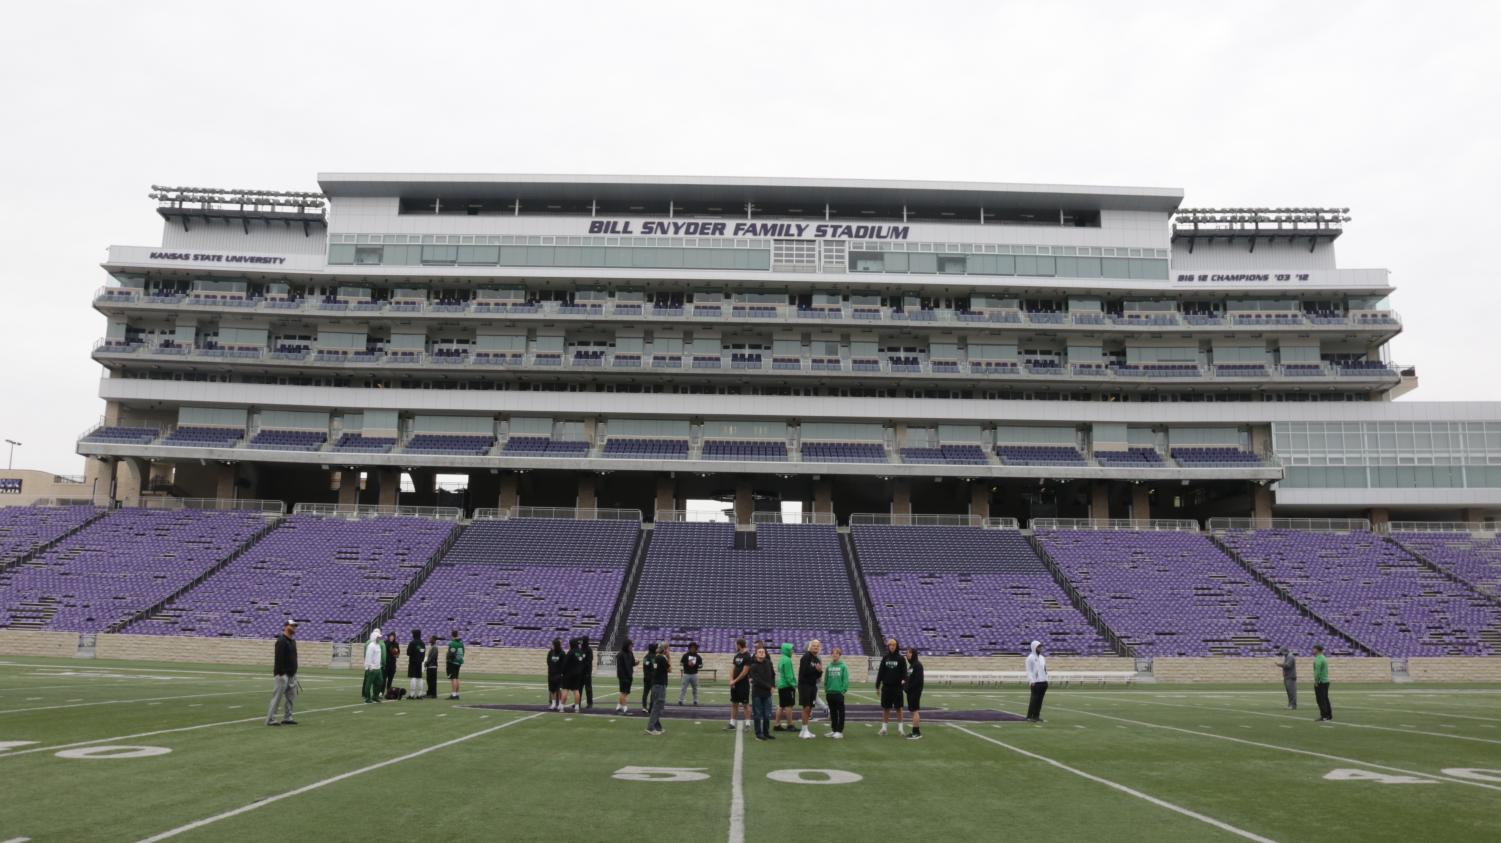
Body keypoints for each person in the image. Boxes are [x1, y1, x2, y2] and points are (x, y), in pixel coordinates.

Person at [266, 619, 298, 726]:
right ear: (285, 626)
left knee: (290, 698)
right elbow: (278, 658)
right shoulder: (281, 641)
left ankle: (288, 717)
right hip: (282, 674)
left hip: (292, 674)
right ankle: (270, 719)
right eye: (291, 625)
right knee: (277, 697)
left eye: (295, 626)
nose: (294, 627)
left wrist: (294, 672)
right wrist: (280, 673)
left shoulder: (293, 641)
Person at [875, 637, 907, 736]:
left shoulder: (901, 658)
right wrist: (877, 685)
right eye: (890, 645)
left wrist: (904, 681)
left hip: (897, 687)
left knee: (899, 708)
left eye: (893, 644)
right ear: (888, 646)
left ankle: (901, 729)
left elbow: (904, 672)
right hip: (887, 687)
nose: (891, 646)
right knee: (886, 708)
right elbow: (881, 672)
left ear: (896, 646)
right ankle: (884, 729)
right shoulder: (885, 658)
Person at [748, 644, 777, 741]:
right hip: (757, 693)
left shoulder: (769, 663)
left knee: (767, 714)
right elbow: (757, 680)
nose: (761, 653)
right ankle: (758, 733)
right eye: (759, 652)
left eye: (763, 652)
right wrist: (769, 687)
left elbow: (773, 675)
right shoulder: (753, 666)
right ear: (756, 655)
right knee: (757, 714)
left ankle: (766, 732)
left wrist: (773, 685)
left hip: (767, 693)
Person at [798, 640, 824, 740]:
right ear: (810, 647)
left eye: (817, 646)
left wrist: (820, 671)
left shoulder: (816, 659)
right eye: (814, 645)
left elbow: (818, 675)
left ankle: (805, 730)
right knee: (806, 708)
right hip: (805, 685)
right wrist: (816, 670)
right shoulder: (806, 657)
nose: (816, 647)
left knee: (809, 709)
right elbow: (805, 672)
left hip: (813, 686)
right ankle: (803, 731)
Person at [645, 642, 670, 736]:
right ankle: (650, 727)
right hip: (660, 684)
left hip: (655, 684)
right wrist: (669, 657)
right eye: (667, 649)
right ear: (664, 650)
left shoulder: (656, 657)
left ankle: (657, 726)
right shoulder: (662, 658)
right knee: (657, 707)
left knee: (657, 706)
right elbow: (669, 669)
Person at [726, 638, 751, 731]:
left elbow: (745, 672)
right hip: (735, 684)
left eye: (735, 645)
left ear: (739, 645)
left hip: (743, 684)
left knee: (745, 704)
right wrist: (731, 680)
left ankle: (748, 724)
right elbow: (733, 668)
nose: (735, 646)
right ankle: (732, 723)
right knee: (734, 703)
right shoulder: (737, 656)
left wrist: (734, 681)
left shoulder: (748, 656)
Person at [824, 644, 848, 739]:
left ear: (839, 655)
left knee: (840, 713)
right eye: (833, 653)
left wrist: (843, 690)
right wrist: (826, 689)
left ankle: (839, 731)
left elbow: (845, 680)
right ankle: (834, 730)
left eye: (836, 653)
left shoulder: (843, 666)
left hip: (839, 693)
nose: (834, 655)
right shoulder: (828, 666)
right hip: (830, 693)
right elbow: (826, 679)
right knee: (833, 713)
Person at [774, 642, 797, 732]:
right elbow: (789, 676)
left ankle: (777, 724)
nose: (792, 651)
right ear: (787, 650)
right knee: (788, 705)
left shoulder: (782, 659)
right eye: (790, 649)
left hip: (781, 685)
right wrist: (794, 684)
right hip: (787, 686)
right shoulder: (787, 660)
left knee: (781, 705)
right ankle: (790, 724)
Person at [1025, 640, 1049, 723]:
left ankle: (1036, 716)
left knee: (1040, 700)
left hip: (1043, 682)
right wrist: (1032, 681)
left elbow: (1044, 669)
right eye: (1038, 647)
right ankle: (1029, 716)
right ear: (1034, 647)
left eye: (1041, 646)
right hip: (1035, 682)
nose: (1040, 648)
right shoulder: (1030, 658)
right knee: (1034, 700)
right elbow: (1029, 671)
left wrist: (1046, 679)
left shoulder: (1042, 658)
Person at [904, 647, 924, 740]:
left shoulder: (917, 665)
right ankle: (914, 731)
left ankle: (916, 732)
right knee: (912, 711)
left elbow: (917, 681)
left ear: (912, 654)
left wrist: (908, 688)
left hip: (914, 692)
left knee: (915, 710)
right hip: (910, 691)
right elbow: (909, 679)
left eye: (907, 653)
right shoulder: (912, 665)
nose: (906, 655)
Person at [563, 637, 586, 712]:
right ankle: (576, 707)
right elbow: (583, 662)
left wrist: (563, 672)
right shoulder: (581, 652)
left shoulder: (570, 652)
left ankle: (561, 707)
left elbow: (565, 663)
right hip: (578, 674)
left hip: (569, 674)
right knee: (576, 690)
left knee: (565, 689)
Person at [362, 628, 385, 704]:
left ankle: (375, 696)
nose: (379, 639)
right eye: (378, 637)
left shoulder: (378, 645)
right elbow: (368, 657)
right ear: (375, 637)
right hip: (372, 668)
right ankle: (367, 698)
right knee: (368, 684)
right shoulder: (371, 646)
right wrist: (369, 666)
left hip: (378, 668)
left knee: (380, 682)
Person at [678, 641, 703, 705]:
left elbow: (701, 665)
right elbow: (681, 663)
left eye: (694, 647)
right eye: (691, 647)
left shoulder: (698, 656)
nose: (693, 649)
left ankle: (695, 700)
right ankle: (681, 700)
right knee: (683, 688)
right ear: (689, 648)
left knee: (695, 689)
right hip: (686, 674)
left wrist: (695, 664)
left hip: (694, 674)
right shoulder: (685, 655)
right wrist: (687, 663)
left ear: (696, 648)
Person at [615, 639, 637, 714]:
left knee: (626, 692)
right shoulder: (620, 654)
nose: (631, 647)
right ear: (626, 645)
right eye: (630, 645)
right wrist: (622, 677)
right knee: (623, 692)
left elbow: (633, 663)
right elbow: (619, 668)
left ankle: (619, 706)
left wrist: (636, 663)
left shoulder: (631, 653)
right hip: (623, 676)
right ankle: (625, 709)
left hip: (629, 675)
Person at [1312, 644, 1332, 721]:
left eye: (1313, 649)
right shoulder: (1323, 657)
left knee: (1320, 699)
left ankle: (1324, 715)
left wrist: (1316, 681)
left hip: (1321, 682)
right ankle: (1328, 715)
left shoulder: (1318, 659)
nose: (1312, 651)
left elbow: (1317, 671)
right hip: (1325, 681)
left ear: (1317, 650)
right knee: (1325, 699)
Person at [546, 638, 567, 711]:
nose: (552, 645)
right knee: (552, 690)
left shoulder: (562, 653)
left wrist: (562, 672)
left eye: (553, 644)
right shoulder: (551, 652)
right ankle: (553, 704)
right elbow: (548, 661)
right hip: (551, 674)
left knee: (560, 689)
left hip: (559, 674)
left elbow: (564, 664)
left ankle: (560, 704)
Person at [406, 629, 425, 700]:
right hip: (420, 662)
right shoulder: (422, 643)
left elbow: (408, 653)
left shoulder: (412, 643)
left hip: (413, 661)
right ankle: (420, 694)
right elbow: (423, 652)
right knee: (419, 677)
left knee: (413, 677)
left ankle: (412, 694)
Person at [446, 629, 465, 700]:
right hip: (459, 662)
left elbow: (451, 653)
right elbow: (463, 652)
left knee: (453, 678)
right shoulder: (461, 643)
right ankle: (457, 694)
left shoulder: (452, 643)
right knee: (456, 678)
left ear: (452, 635)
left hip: (453, 662)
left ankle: (453, 694)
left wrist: (448, 659)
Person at [640, 642, 658, 713]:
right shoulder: (654, 657)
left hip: (646, 677)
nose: (656, 649)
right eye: (655, 648)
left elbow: (645, 666)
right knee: (652, 693)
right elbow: (654, 667)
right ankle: (651, 707)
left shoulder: (646, 657)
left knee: (646, 693)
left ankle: (644, 707)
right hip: (652, 678)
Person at [580, 635, 595, 709]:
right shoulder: (580, 649)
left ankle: (590, 703)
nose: (581, 642)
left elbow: (589, 661)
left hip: (587, 672)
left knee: (588, 688)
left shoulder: (589, 650)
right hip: (580, 672)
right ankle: (577, 703)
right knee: (579, 688)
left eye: (583, 640)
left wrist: (588, 672)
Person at [382, 631, 399, 698]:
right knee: (383, 679)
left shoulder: (396, 644)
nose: (392, 637)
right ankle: (381, 692)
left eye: (393, 636)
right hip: (386, 663)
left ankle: (388, 693)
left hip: (392, 664)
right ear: (388, 636)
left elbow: (397, 654)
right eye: (390, 636)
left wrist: (396, 653)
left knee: (390, 680)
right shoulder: (385, 643)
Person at [424, 634, 439, 698]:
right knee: (429, 680)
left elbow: (432, 657)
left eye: (431, 639)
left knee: (432, 681)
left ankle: (433, 694)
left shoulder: (435, 647)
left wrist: (427, 662)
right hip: (430, 666)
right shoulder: (432, 647)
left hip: (432, 666)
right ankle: (429, 693)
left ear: (434, 640)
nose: (429, 640)